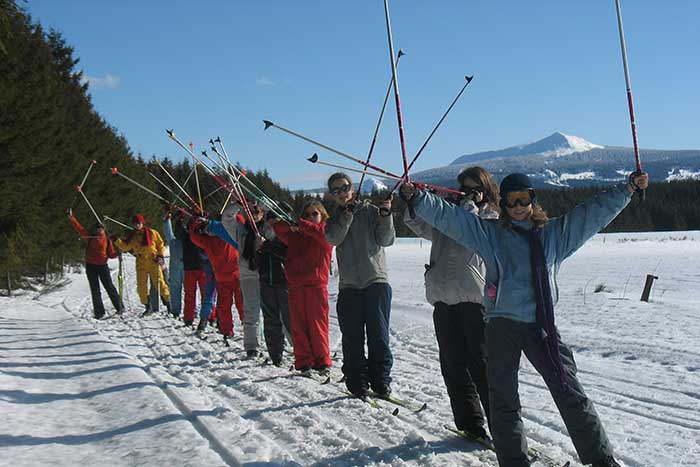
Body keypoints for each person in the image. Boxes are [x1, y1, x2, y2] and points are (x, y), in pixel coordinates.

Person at [401, 172, 649, 467]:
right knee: (504, 401)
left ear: (534, 199)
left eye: (524, 198)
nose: (518, 206)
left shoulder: (555, 235)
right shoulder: (490, 234)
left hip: (541, 325)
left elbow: (591, 214)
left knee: (569, 391)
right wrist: (418, 198)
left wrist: (627, 189)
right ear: (503, 203)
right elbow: (452, 219)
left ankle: (600, 458)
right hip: (501, 326)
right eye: (511, 200)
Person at [403, 167, 498, 441]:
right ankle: (469, 423)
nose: (468, 194)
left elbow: (467, 231)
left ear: (485, 190)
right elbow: (419, 225)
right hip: (443, 297)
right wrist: (413, 202)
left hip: (474, 298)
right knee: (453, 365)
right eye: (464, 189)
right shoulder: (448, 215)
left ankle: (501, 428)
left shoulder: (492, 217)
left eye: (474, 189)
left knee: (482, 366)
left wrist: (468, 207)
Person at [325, 172, 395, 398]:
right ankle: (357, 382)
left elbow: (386, 239)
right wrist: (346, 215)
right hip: (349, 286)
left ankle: (381, 380)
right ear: (332, 196)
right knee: (352, 337)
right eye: (336, 191)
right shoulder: (334, 219)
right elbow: (333, 238)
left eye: (344, 188)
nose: (341, 194)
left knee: (379, 336)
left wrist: (385, 214)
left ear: (352, 187)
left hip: (375, 281)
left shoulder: (370, 211)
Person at [274, 200, 333, 375]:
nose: (310, 217)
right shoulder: (296, 235)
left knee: (318, 326)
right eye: (306, 214)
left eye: (314, 214)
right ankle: (304, 360)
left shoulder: (325, 233)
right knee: (298, 326)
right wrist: (290, 224)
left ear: (322, 215)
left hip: (316, 286)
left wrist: (300, 224)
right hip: (296, 287)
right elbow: (278, 229)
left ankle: (322, 361)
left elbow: (319, 233)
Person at [188, 218, 243, 344]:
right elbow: (194, 237)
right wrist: (197, 223)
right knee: (224, 307)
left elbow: (236, 223)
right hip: (224, 279)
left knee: (240, 305)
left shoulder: (226, 235)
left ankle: (246, 329)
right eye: (207, 230)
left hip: (236, 277)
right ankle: (226, 331)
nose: (210, 232)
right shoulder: (209, 241)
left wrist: (207, 223)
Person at [221, 202, 265, 359]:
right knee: (251, 311)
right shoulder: (241, 230)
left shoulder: (269, 229)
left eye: (257, 211)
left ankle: (282, 345)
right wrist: (237, 205)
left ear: (262, 213)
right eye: (251, 211)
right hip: (248, 275)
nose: (254, 214)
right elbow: (226, 218)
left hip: (268, 275)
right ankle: (252, 346)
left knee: (276, 313)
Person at [67, 209, 124, 319]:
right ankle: (99, 313)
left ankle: (120, 307)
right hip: (91, 266)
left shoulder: (107, 240)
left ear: (104, 229)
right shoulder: (90, 237)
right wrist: (71, 218)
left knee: (109, 287)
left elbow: (111, 254)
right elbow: (79, 228)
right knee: (95, 290)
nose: (100, 230)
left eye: (101, 228)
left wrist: (118, 253)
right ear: (95, 229)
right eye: (98, 228)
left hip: (102, 266)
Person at [114, 214, 171, 316]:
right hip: (141, 263)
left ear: (142, 223)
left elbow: (160, 244)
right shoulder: (133, 236)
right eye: (135, 224)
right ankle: (147, 306)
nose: (137, 225)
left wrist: (160, 256)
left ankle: (169, 304)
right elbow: (125, 247)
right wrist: (116, 240)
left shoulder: (152, 233)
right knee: (141, 287)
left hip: (153, 261)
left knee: (160, 283)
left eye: (139, 223)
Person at [257, 212, 293, 366]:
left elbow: (287, 254)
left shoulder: (287, 235)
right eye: (270, 219)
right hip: (266, 281)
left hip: (285, 282)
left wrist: (267, 246)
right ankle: (275, 355)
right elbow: (252, 258)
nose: (273, 222)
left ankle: (303, 354)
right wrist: (258, 249)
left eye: (276, 219)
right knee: (271, 319)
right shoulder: (260, 233)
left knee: (290, 319)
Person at [163, 210, 184, 318]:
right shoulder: (173, 241)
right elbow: (168, 232)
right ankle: (175, 310)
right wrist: (167, 220)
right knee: (175, 288)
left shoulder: (187, 239)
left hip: (187, 267)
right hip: (176, 268)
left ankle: (191, 309)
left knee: (189, 290)